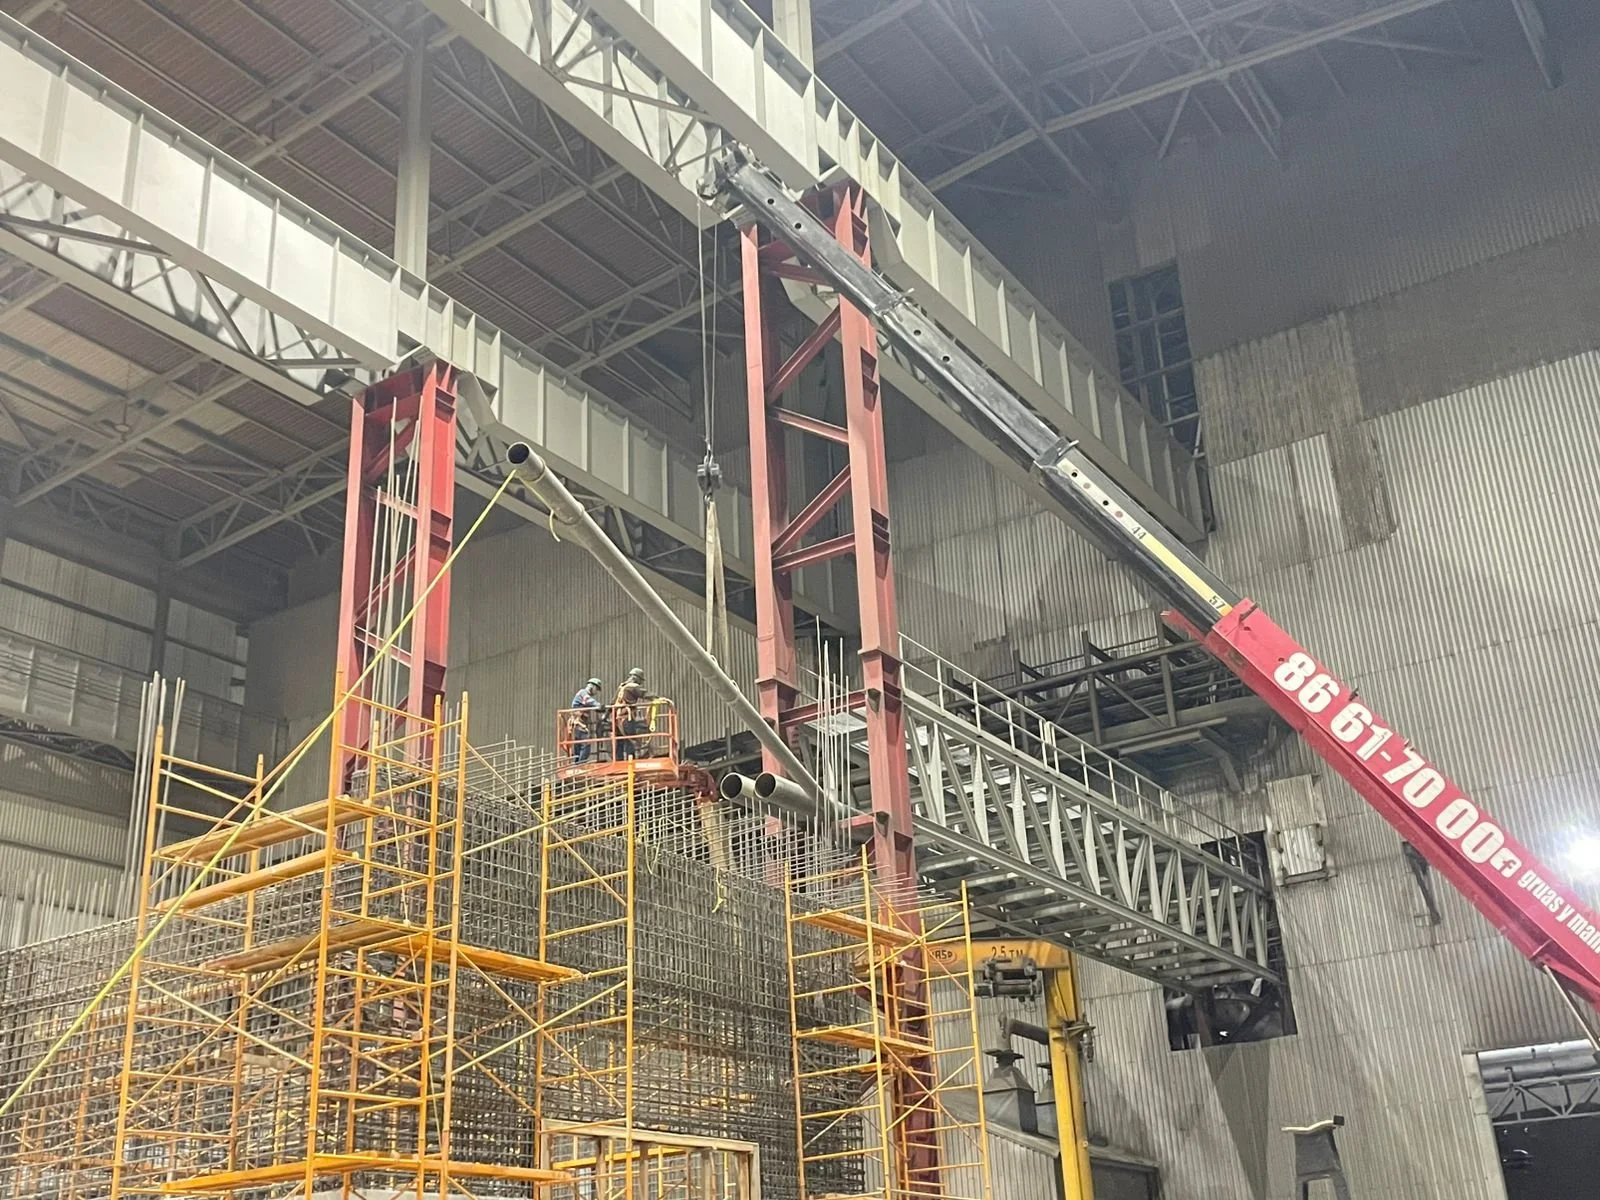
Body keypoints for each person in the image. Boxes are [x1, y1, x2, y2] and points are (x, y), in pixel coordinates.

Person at [612, 667, 652, 759]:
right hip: (627, 718)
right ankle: (631, 761)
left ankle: (619, 761)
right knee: (631, 740)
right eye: (640, 680)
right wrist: (658, 698)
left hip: (617, 719)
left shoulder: (621, 687)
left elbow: (612, 702)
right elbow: (646, 694)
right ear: (636, 678)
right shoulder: (633, 687)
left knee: (620, 741)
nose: (640, 683)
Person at [567, 678, 604, 763]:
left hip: (579, 724)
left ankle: (577, 763)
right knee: (585, 743)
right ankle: (581, 764)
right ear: (592, 686)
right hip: (579, 723)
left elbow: (591, 705)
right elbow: (590, 702)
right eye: (596, 689)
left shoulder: (584, 696)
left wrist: (599, 709)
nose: (596, 692)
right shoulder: (583, 693)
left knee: (578, 744)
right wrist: (599, 706)